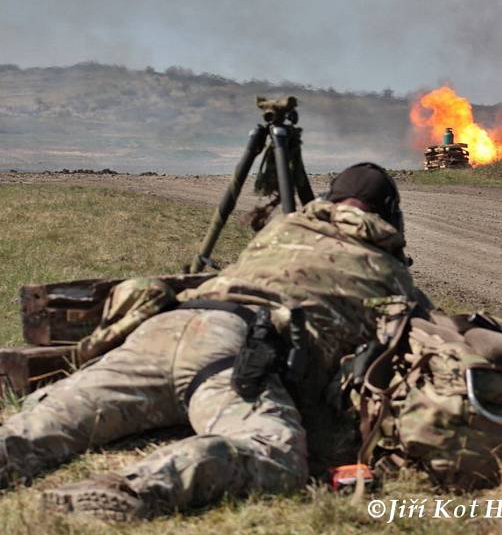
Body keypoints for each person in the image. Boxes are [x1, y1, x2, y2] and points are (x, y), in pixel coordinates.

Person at [0, 163, 424, 521]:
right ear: (388, 215)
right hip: (234, 354)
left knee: (50, 420)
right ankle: (138, 487)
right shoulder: (387, 269)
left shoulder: (282, 230)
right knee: (275, 452)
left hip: (165, 328)